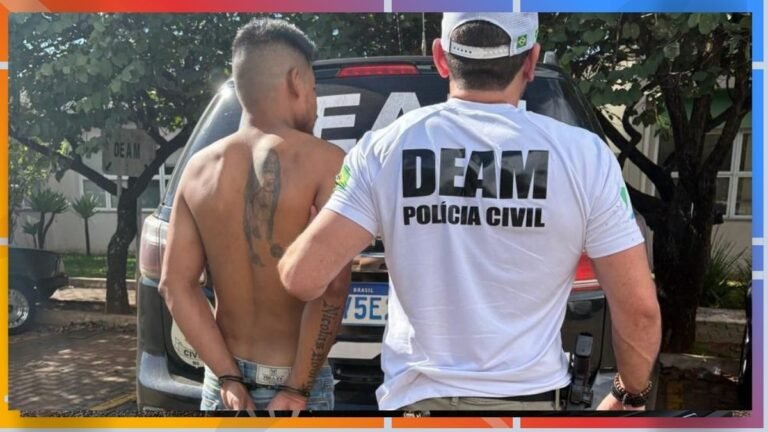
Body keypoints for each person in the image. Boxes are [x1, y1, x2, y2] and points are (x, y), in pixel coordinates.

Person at [278, 12, 661, 411]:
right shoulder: (585, 157)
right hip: (531, 406)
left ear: (441, 58)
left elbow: (302, 278)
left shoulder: (382, 149)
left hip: (420, 406)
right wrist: (628, 393)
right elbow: (639, 311)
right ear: (531, 61)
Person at [159, 18, 350, 412]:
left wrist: (227, 375)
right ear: (296, 82)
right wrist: (298, 387)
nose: (313, 104)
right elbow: (331, 287)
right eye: (314, 91)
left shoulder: (197, 168)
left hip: (226, 386)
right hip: (297, 389)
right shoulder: (326, 162)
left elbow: (174, 286)